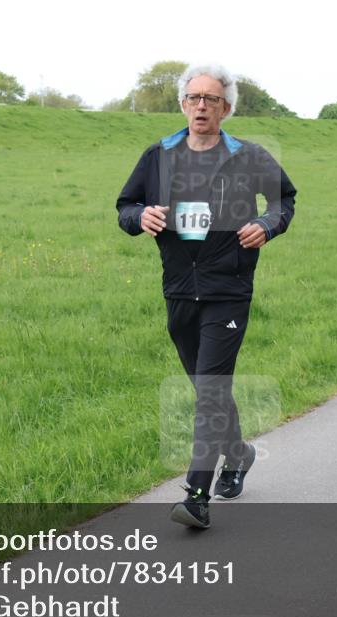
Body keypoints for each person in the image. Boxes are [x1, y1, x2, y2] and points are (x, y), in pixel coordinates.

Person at [116, 63, 297, 528]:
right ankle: (239, 454)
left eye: (211, 99)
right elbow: (126, 205)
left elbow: (284, 200)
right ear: (183, 105)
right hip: (179, 288)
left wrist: (267, 224)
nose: (201, 106)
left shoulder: (249, 156)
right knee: (207, 389)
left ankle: (196, 496)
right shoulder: (159, 155)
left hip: (228, 288)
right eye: (194, 98)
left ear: (226, 108)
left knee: (210, 393)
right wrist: (140, 217)